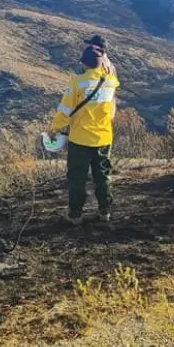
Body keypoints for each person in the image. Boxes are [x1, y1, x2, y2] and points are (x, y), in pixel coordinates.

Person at [48, 44, 119, 225]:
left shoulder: (77, 82)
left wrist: (54, 129)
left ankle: (75, 214)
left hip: (80, 139)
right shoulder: (110, 81)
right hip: (103, 138)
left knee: (77, 178)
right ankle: (105, 211)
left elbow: (65, 109)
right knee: (103, 176)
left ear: (84, 63)